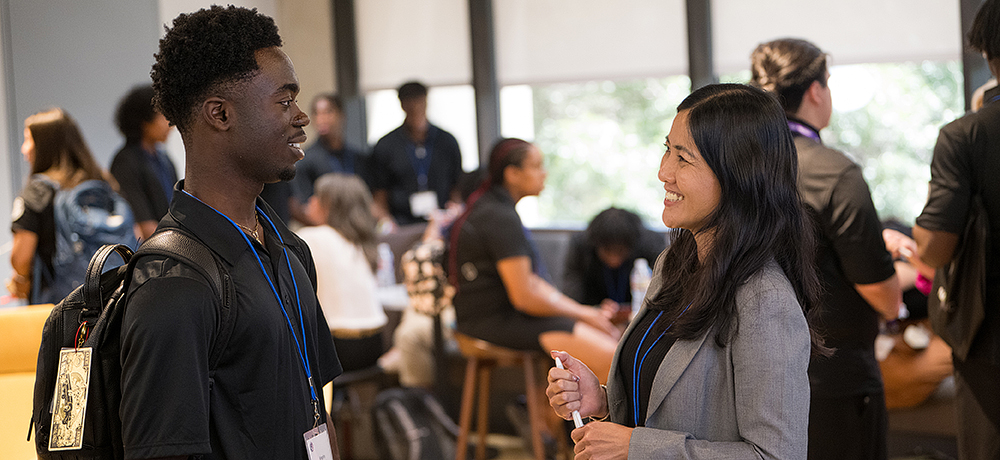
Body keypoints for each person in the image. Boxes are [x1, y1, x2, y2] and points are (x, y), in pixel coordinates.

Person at [546, 84, 824, 459]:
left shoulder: (765, 300)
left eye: (683, 158)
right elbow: (669, 404)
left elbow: (777, 455)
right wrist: (603, 399)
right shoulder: (674, 264)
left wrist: (635, 447)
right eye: (667, 150)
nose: (664, 172)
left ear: (737, 173)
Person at [119, 6, 341, 459]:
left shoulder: (287, 248)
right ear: (220, 114)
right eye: (284, 101)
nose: (300, 116)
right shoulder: (172, 284)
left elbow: (315, 408)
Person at [751, 38, 901, 460]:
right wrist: (901, 267)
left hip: (750, 376)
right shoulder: (834, 172)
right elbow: (885, 297)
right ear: (815, 91)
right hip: (831, 379)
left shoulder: (735, 167)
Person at [448, 137, 618, 384]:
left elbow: (532, 283)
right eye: (536, 166)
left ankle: (550, 420)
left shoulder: (495, 209)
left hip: (504, 316)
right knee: (611, 358)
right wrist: (583, 313)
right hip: (491, 322)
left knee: (612, 341)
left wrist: (584, 314)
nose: (544, 173)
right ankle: (589, 422)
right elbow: (525, 296)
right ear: (513, 174)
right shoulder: (498, 216)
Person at [913, 1, 1000, 457]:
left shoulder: (966, 134)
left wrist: (915, 240)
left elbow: (936, 246)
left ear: (987, 51)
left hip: (989, 337)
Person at [7, 108, 124, 304]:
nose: (24, 149)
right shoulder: (103, 182)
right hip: (110, 298)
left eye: (29, 140)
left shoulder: (37, 191)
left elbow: (21, 258)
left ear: (44, 146)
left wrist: (20, 280)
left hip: (61, 306)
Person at [297, 173, 387, 372]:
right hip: (376, 342)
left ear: (329, 206)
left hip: (338, 346)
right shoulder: (363, 242)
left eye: (316, 196)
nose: (310, 201)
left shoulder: (310, 238)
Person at [370, 81, 463, 226]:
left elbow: (456, 186)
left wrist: (456, 211)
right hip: (402, 224)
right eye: (409, 102)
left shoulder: (446, 142)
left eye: (419, 101)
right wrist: (387, 223)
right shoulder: (386, 145)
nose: (415, 107)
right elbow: (379, 195)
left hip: (442, 221)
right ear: (402, 105)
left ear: (426, 102)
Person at [562, 207, 667, 318]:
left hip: (639, 316)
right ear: (596, 245)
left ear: (631, 246)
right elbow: (571, 297)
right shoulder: (581, 246)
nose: (614, 259)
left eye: (620, 251)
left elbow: (662, 294)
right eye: (607, 251)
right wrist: (595, 310)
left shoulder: (650, 244)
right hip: (595, 317)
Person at [110, 84, 178, 240]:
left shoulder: (164, 159)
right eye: (163, 115)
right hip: (152, 250)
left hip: (170, 242)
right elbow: (142, 223)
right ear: (144, 122)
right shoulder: (125, 162)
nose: (170, 124)